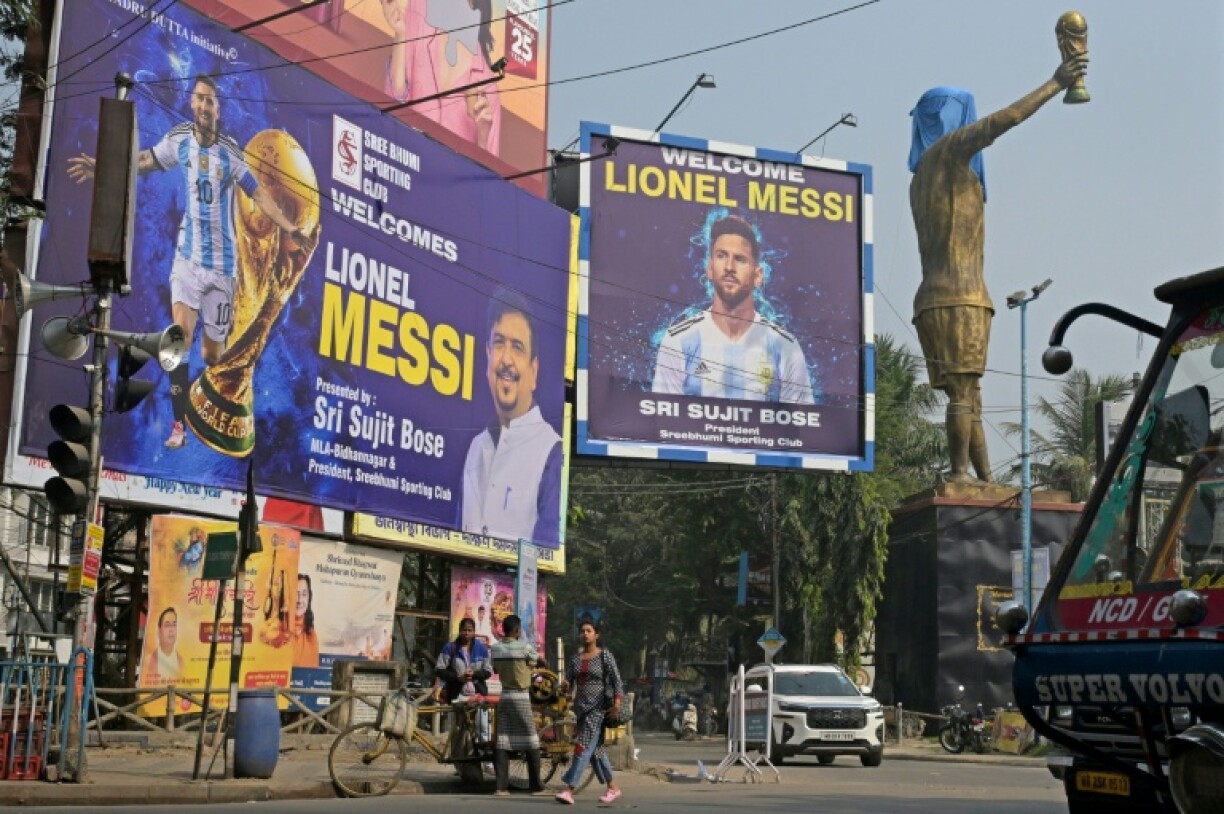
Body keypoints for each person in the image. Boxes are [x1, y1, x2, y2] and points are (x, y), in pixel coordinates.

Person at [66, 74, 313, 450]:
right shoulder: (179, 139)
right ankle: (178, 422)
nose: (202, 106)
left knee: (211, 355)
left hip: (221, 270)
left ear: (218, 109)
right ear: (192, 104)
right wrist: (104, 166)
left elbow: (260, 195)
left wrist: (290, 228)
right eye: (198, 99)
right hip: (187, 260)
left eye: (209, 101)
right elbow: (146, 160)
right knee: (177, 338)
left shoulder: (230, 153)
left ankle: (214, 353)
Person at [908, 53, 1088, 482]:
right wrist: (1055, 82)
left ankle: (984, 479)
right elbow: (1002, 121)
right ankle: (959, 475)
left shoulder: (919, 178)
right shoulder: (948, 154)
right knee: (963, 395)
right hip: (962, 296)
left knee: (968, 394)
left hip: (932, 298)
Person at [653, 214, 814, 403]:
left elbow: (801, 426)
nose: (729, 267)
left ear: (758, 275)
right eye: (721, 256)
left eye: (740, 259)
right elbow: (663, 424)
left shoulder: (785, 346)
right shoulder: (678, 341)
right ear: (710, 268)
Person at [458, 290, 562, 545]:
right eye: (498, 343)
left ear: (533, 370)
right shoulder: (475, 448)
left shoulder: (551, 451)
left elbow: (546, 552)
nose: (506, 359)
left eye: (517, 347)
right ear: (487, 356)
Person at [380, 0, 502, 154]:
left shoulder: (487, 85)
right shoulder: (420, 10)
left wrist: (483, 139)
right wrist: (400, 34)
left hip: (446, 176)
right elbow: (394, 100)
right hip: (405, 162)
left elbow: (486, 176)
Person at [555, 620, 624, 805]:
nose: (585, 634)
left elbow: (617, 681)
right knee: (596, 751)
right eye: (582, 631)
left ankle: (569, 789)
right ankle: (613, 787)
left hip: (599, 709)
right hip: (582, 710)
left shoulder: (604, 656)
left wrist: (617, 703)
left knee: (583, 746)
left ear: (596, 635)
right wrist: (565, 686)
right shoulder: (575, 659)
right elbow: (568, 683)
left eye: (589, 630)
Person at [489, 614, 547, 796]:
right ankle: (536, 786)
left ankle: (501, 787)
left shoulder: (496, 649)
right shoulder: (525, 647)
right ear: (516, 630)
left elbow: (496, 669)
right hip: (521, 696)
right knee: (531, 739)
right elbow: (539, 661)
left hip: (505, 696)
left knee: (503, 739)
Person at [434, 617, 492, 703]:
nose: (467, 633)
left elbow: (488, 672)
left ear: (474, 631)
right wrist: (457, 677)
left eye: (470, 630)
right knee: (456, 716)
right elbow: (439, 670)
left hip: (478, 695)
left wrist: (474, 674)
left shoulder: (482, 649)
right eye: (464, 630)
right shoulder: (449, 648)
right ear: (460, 630)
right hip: (456, 695)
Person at [147, 607, 185, 681]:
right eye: (167, 625)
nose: (171, 630)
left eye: (174, 625)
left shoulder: (181, 661)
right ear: (159, 631)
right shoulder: (149, 660)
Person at [291, 574, 320, 668]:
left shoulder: (311, 634)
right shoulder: (277, 629)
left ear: (309, 598)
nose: (299, 600)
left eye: (304, 594)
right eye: (295, 594)